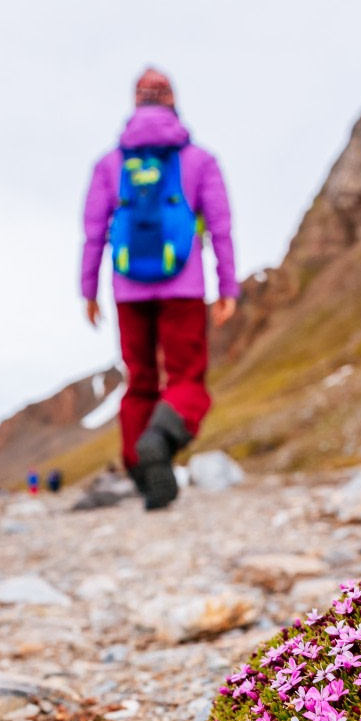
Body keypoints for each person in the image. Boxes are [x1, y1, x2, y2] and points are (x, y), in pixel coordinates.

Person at [81, 68, 237, 511]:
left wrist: (88, 289)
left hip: (128, 288)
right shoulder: (199, 161)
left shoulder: (110, 164)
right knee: (186, 376)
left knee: (141, 379)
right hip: (183, 285)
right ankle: (161, 439)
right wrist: (227, 284)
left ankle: (142, 470)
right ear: (172, 101)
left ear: (135, 103)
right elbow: (221, 227)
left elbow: (94, 232)